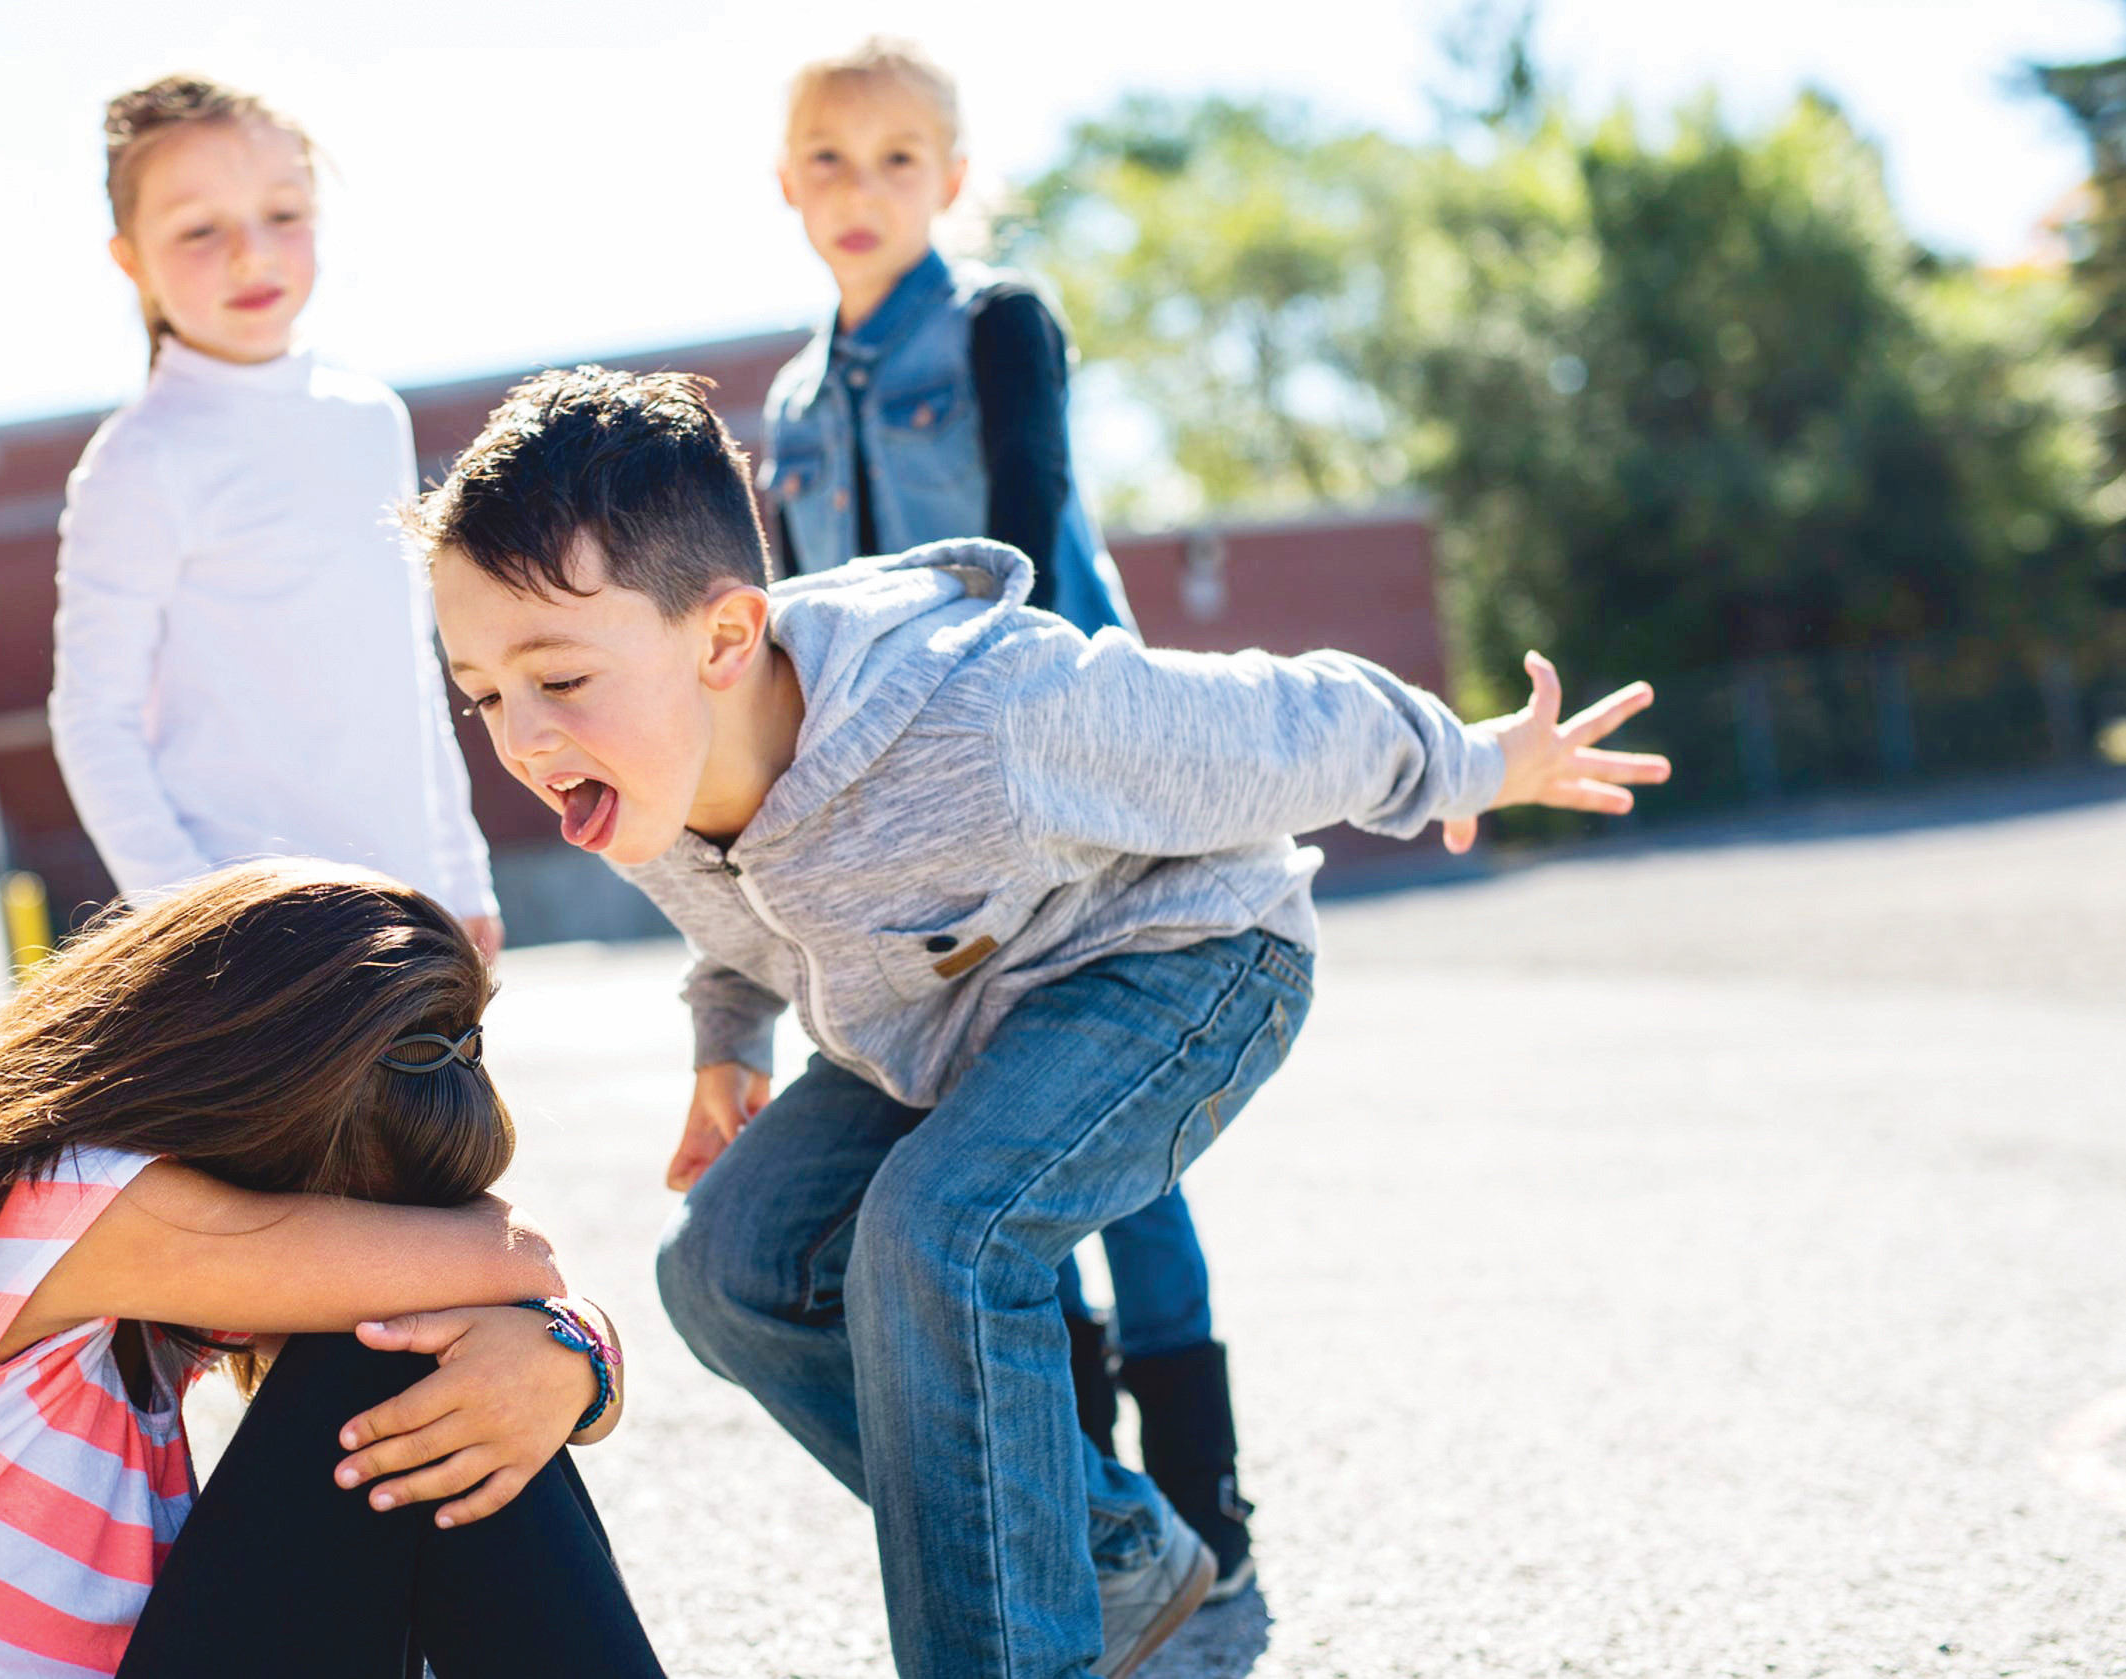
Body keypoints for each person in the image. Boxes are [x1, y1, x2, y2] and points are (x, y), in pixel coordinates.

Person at [415, 368, 1669, 1678]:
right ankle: (1109, 1550)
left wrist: (1474, 763)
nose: (524, 735)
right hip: (940, 1015)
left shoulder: (987, 712)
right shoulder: (630, 770)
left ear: (726, 639)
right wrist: (727, 1037)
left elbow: (1283, 720)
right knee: (723, 1265)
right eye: (482, 692)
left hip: (1180, 961)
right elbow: (734, 921)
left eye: (556, 675)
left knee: (938, 1233)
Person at [0, 860, 667, 1679]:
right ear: (251, 1105)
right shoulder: (51, 1194)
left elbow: (516, 1292)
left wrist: (568, 1355)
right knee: (395, 1355)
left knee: (446, 1386)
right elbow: (521, 1261)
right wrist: (556, 1332)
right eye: (344, 1210)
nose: (341, 1241)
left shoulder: (87, 1227)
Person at [756, 37, 1242, 1594]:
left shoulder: (995, 324)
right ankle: (1096, 1519)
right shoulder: (786, 398)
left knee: (1120, 1153)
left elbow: (1028, 525)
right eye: (829, 157)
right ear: (786, 182)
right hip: (907, 829)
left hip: (1069, 785)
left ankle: (1206, 1506)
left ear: (952, 181)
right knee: (989, 1139)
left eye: (900, 158)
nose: (862, 187)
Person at [50, 76, 500, 958]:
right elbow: (92, 718)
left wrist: (462, 875)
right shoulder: (140, 459)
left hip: (412, 915)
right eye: (197, 229)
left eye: (282, 215)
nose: (250, 255)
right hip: (256, 948)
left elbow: (409, 675)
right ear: (129, 258)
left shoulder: (371, 418)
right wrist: (194, 918)